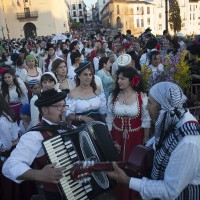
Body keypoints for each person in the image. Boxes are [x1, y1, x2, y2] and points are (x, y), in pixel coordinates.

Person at [107, 82, 200, 200]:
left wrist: (127, 180)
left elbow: (169, 191)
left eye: (150, 103)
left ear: (163, 106)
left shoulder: (188, 142)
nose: (146, 107)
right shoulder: (172, 120)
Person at [2, 89, 68, 200]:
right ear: (45, 110)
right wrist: (39, 174)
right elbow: (9, 167)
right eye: (59, 106)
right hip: (57, 194)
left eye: (64, 105)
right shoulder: (34, 136)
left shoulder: (70, 127)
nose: (64, 110)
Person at [0, 93, 37, 200]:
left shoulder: (2, 121)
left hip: (10, 151)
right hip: (14, 147)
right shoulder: (5, 115)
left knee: (10, 180)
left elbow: (6, 145)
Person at [66, 61, 107, 126]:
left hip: (98, 125)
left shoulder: (97, 90)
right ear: (79, 76)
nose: (88, 77)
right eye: (85, 74)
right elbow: (67, 115)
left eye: (90, 74)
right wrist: (82, 118)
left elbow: (103, 112)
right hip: (80, 127)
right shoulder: (72, 94)